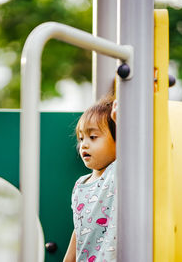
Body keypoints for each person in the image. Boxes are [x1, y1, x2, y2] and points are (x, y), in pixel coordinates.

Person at [64, 94, 118, 262]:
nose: (84, 145)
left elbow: (134, 147)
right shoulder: (80, 184)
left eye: (93, 137)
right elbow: (79, 230)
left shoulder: (117, 172)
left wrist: (121, 123)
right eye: (81, 138)